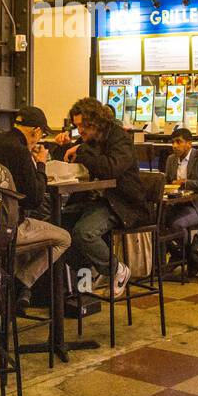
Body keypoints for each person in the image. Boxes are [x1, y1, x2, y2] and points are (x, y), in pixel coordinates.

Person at [0, 106, 72, 314]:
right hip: (7, 229)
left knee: (33, 237)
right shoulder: (19, 151)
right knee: (63, 238)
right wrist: (40, 165)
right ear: (36, 131)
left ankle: (12, 294)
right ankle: (21, 284)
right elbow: (35, 200)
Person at [61, 97, 150, 296]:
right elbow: (72, 159)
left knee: (84, 233)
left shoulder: (119, 138)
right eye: (77, 126)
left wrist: (81, 150)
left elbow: (111, 168)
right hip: (95, 200)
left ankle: (116, 269)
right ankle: (87, 277)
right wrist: (63, 146)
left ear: (95, 122)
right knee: (60, 229)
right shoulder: (89, 139)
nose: (80, 131)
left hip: (122, 203)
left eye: (83, 125)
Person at [163, 128, 198, 245]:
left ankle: (188, 255)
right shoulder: (171, 159)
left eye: (178, 142)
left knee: (177, 224)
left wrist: (184, 183)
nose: (174, 145)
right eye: (172, 142)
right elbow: (167, 182)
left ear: (189, 144)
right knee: (157, 221)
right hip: (178, 204)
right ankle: (168, 257)